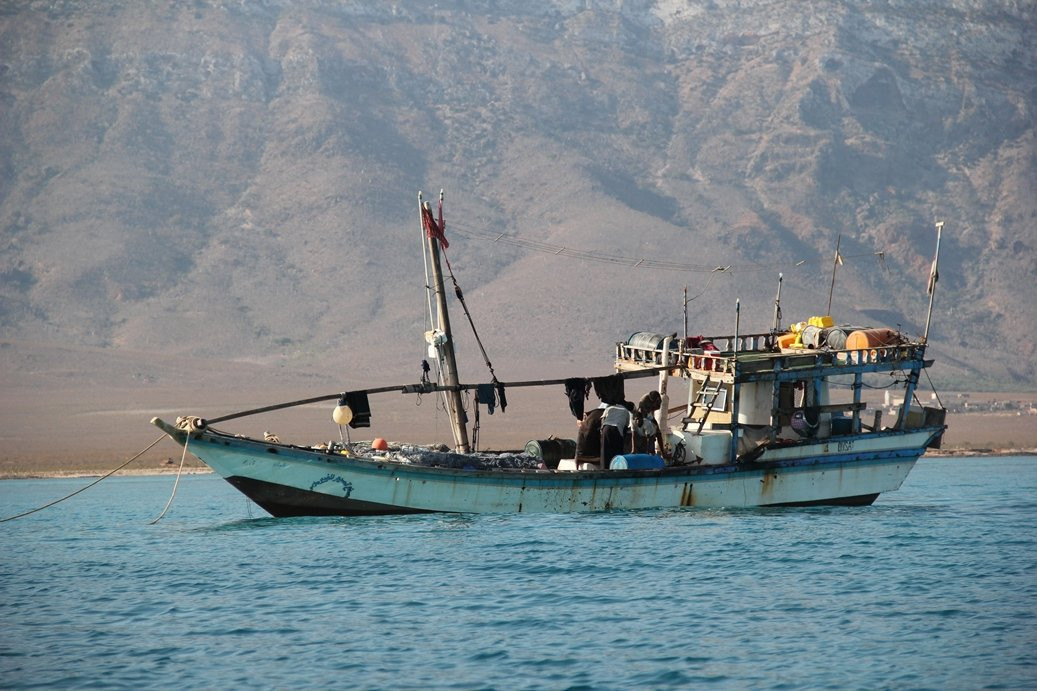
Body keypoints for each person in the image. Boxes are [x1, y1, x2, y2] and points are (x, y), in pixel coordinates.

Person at [634, 391, 671, 461]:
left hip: (649, 414)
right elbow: (640, 410)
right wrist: (642, 418)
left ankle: (663, 452)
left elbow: (656, 409)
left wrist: (652, 420)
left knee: (658, 432)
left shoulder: (658, 400)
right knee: (647, 429)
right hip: (643, 413)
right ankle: (648, 451)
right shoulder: (644, 399)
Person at [600, 400, 634, 468]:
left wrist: (602, 429)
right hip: (616, 429)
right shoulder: (626, 411)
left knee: (604, 453)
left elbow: (602, 419)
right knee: (617, 453)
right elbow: (626, 427)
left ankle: (604, 470)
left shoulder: (610, 408)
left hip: (606, 429)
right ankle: (616, 469)